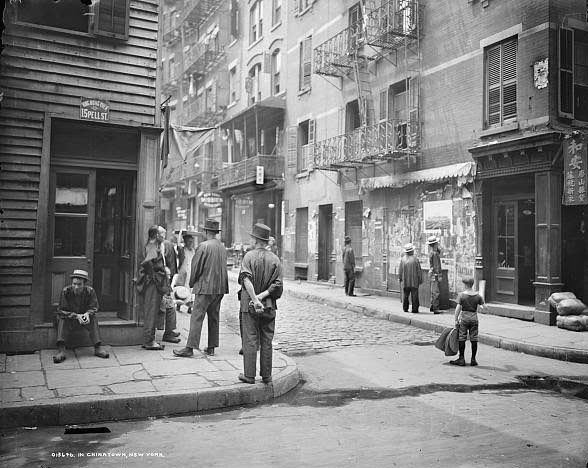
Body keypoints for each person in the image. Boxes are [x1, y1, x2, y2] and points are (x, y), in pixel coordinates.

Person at [174, 219, 228, 358]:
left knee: (197, 317)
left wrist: (192, 284)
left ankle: (190, 348)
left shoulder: (203, 246)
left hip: (205, 287)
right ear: (215, 232)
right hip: (219, 288)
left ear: (206, 232)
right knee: (214, 317)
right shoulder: (221, 246)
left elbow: (195, 268)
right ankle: (211, 347)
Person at [238, 223, 283, 384]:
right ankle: (267, 376)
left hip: (249, 306)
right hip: (269, 306)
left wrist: (255, 300)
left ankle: (249, 375)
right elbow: (277, 286)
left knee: (250, 339)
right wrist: (263, 296)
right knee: (267, 341)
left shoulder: (248, 257)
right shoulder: (275, 259)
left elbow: (245, 279)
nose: (250, 240)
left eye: (252, 237)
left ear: (256, 240)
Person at [53, 269, 110, 363]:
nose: (76, 287)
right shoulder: (66, 291)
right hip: (70, 318)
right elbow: (61, 310)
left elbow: (94, 307)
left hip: (83, 318)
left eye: (79, 284)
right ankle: (61, 350)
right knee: (62, 319)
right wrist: (76, 316)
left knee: (93, 319)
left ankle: (97, 348)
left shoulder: (90, 291)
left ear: (84, 284)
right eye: (74, 283)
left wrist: (87, 314)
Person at [136, 225, 171, 350]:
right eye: (160, 234)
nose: (162, 236)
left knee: (152, 311)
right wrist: (155, 277)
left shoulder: (151, 245)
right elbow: (147, 263)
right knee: (151, 311)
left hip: (152, 282)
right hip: (152, 284)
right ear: (156, 235)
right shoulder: (152, 246)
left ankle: (149, 340)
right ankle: (149, 341)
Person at [451, 276, 485, 366]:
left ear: (465, 285)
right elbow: (483, 306)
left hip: (464, 319)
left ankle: (461, 359)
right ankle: (473, 359)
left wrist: (455, 320)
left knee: (462, 338)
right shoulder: (477, 296)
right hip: (474, 319)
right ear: (472, 284)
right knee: (474, 339)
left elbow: (458, 308)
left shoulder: (461, 295)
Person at [157, 226, 180, 344]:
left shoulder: (160, 244)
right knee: (169, 307)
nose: (163, 236)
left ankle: (169, 331)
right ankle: (168, 332)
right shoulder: (162, 245)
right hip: (160, 282)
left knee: (169, 306)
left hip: (161, 281)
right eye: (162, 234)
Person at [398, 243, 422, 313]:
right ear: (411, 251)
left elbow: (400, 270)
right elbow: (419, 270)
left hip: (406, 281)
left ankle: (405, 308)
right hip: (414, 281)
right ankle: (415, 309)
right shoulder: (415, 259)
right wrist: (420, 279)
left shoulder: (403, 260)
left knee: (405, 295)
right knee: (414, 295)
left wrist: (400, 278)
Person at [427, 235, 443, 314]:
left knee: (433, 291)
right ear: (435, 244)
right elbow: (436, 266)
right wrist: (439, 275)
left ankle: (432, 306)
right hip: (435, 275)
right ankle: (436, 308)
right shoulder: (435, 254)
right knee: (436, 292)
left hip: (432, 275)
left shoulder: (432, 253)